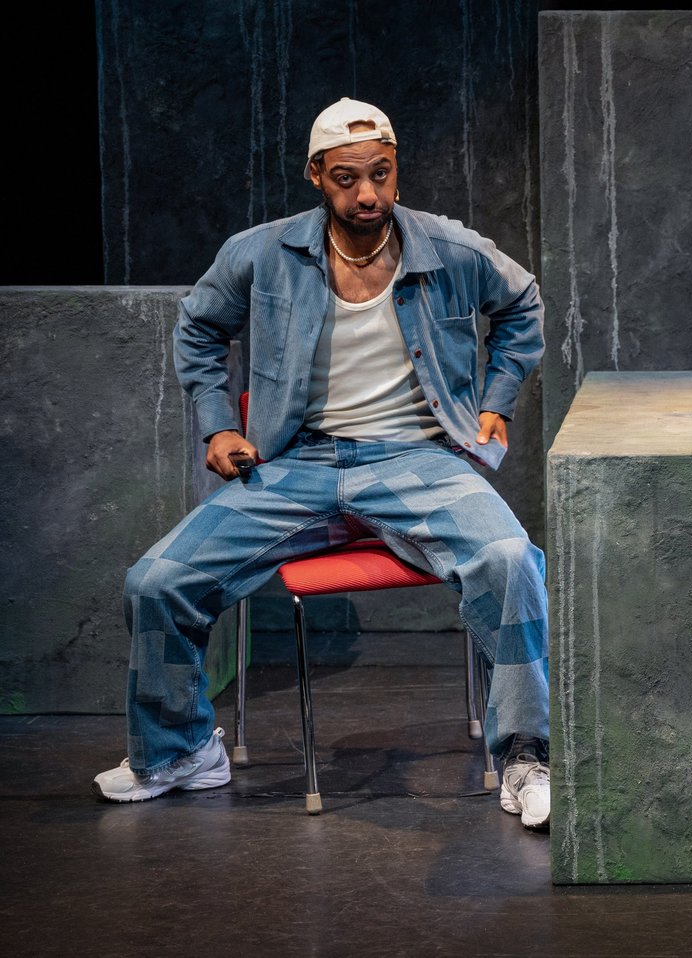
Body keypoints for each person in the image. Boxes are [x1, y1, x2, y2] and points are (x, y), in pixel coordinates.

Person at [93, 97, 552, 829]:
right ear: (315, 175)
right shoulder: (262, 252)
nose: (367, 193)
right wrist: (218, 425)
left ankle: (527, 757)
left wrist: (498, 398)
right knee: (156, 582)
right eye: (347, 178)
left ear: (395, 168)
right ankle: (180, 751)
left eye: (381, 174)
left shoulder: (448, 247)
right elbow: (199, 329)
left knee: (509, 560)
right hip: (297, 464)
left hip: (417, 459)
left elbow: (522, 302)